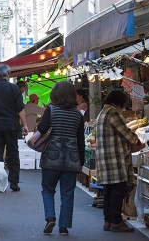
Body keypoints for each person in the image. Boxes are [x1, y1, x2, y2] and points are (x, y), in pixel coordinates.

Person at [38, 82, 85, 236]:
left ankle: (50, 217)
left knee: (48, 189)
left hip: (52, 156)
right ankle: (64, 227)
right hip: (72, 158)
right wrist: (81, 162)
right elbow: (80, 141)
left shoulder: (51, 110)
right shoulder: (78, 114)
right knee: (67, 193)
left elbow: (41, 129)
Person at [94, 89, 142, 233]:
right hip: (114, 159)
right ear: (119, 102)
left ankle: (108, 221)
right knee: (118, 189)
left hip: (105, 158)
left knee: (109, 190)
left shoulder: (102, 112)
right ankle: (116, 221)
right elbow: (126, 133)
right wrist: (137, 140)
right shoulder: (112, 113)